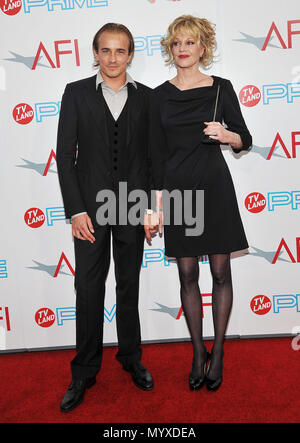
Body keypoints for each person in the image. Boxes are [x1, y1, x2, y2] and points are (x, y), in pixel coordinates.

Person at [145, 15, 252, 392]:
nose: (183, 49)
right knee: (187, 275)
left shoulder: (221, 88)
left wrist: (227, 134)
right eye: (177, 43)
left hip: (214, 187)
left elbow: (245, 139)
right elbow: (154, 156)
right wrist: (153, 207)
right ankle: (197, 352)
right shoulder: (158, 95)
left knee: (221, 273)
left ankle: (218, 352)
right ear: (170, 49)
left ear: (203, 48)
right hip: (178, 192)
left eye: (191, 42)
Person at [57, 23, 153, 413]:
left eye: (121, 51)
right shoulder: (76, 93)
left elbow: (151, 159)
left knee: (129, 286)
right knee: (88, 290)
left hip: (132, 208)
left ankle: (131, 357)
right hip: (89, 213)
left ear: (130, 55)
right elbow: (66, 157)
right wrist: (77, 210)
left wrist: (150, 208)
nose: (113, 58)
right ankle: (83, 371)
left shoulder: (147, 98)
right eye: (106, 51)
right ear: (95, 53)